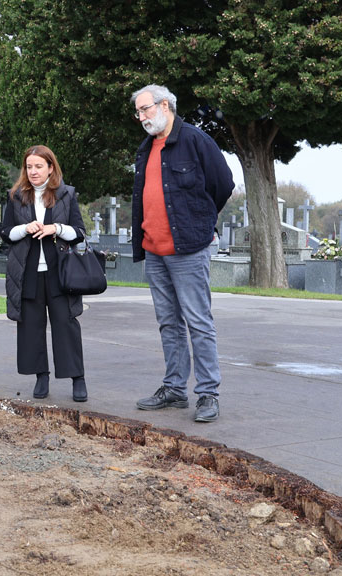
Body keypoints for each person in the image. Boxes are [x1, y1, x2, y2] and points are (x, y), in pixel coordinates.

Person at [130, 84, 234, 422]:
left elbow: (222, 184)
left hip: (188, 248)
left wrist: (201, 224)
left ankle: (208, 394)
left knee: (198, 322)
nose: (141, 117)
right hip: (154, 249)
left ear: (164, 105)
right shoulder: (146, 148)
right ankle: (174, 389)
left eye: (145, 109)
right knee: (168, 323)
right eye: (138, 112)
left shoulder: (194, 140)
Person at [0, 145, 88, 402]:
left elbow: (79, 233)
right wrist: (25, 228)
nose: (33, 171)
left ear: (51, 167)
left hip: (60, 273)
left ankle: (77, 378)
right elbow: (5, 234)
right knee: (31, 327)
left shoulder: (66, 194)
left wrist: (56, 228)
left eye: (39, 166)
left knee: (66, 324)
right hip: (27, 273)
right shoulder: (16, 196)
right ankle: (41, 376)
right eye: (29, 167)